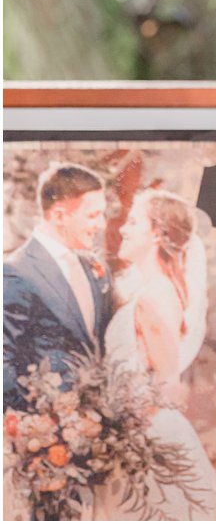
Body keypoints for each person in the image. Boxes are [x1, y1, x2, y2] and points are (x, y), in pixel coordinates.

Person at [93, 191, 216, 521]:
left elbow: (167, 382)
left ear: (157, 233)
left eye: (133, 222)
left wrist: (127, 430)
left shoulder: (155, 297)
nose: (124, 229)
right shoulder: (148, 289)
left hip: (148, 435)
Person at [4, 164, 114, 409]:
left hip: (95, 420)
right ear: (59, 216)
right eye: (93, 215)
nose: (102, 225)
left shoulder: (95, 267)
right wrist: (36, 420)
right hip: (46, 427)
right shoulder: (17, 271)